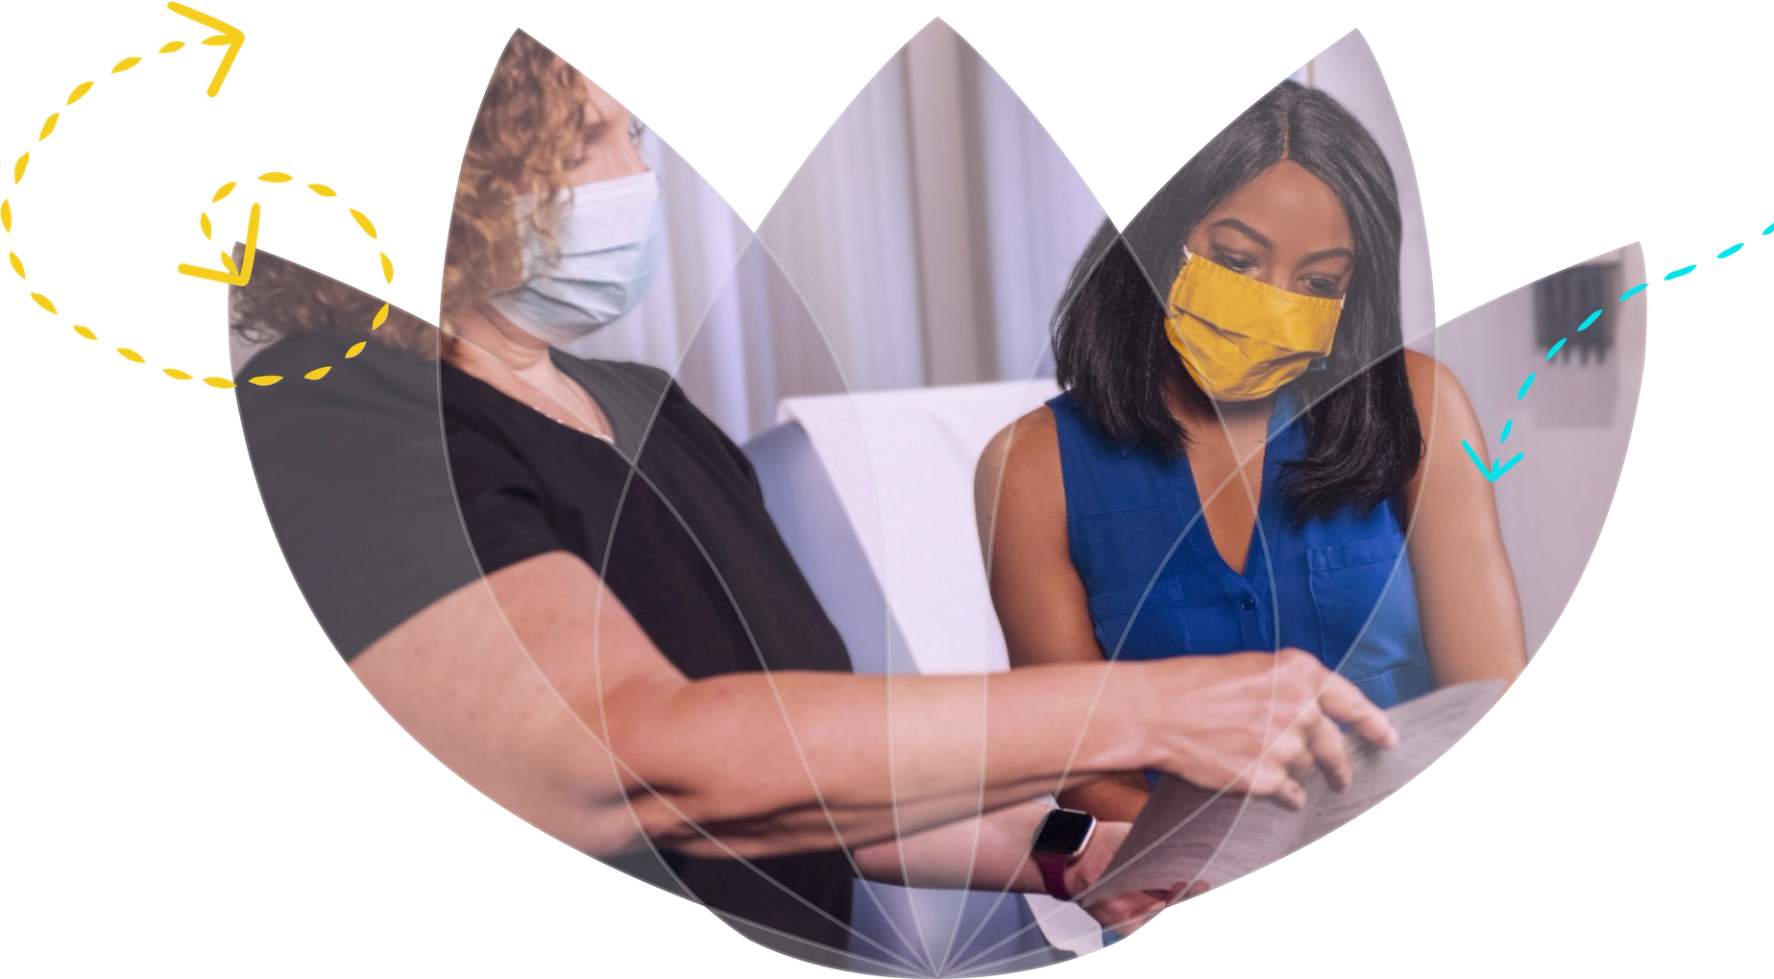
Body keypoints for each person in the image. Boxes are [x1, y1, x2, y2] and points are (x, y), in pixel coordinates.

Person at [232, 33, 1399, 973]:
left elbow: (803, 776)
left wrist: (1076, 851)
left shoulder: (648, 410)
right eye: (591, 140)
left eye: (636, 135)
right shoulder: (343, 418)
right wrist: (1142, 710)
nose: (638, 174)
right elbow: (620, 765)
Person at [976, 80, 1528, 829]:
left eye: (1318, 282)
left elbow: (1487, 698)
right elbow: (1086, 777)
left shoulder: (1421, 406)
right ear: (1155, 236)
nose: (1272, 305)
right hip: (1179, 876)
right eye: (1237, 261)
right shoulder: (1030, 467)